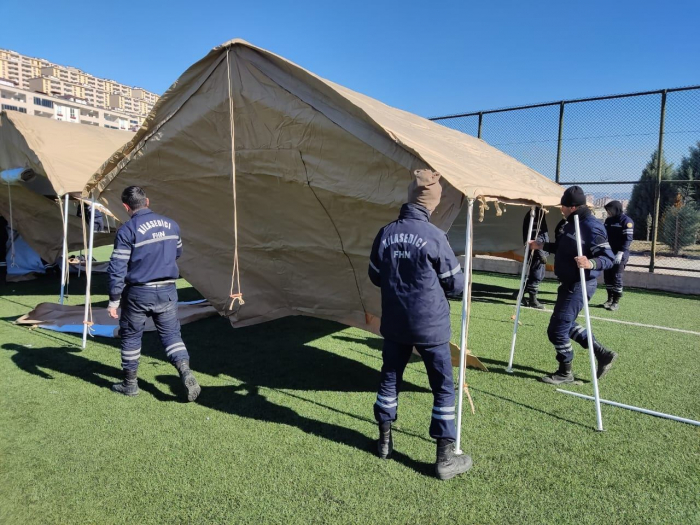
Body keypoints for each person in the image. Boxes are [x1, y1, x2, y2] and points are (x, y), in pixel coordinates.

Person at [368, 169, 472, 481]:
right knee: (442, 388)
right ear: (432, 203)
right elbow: (453, 285)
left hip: (395, 324)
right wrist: (464, 276)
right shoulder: (435, 236)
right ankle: (444, 459)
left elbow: (375, 276)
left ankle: (384, 443)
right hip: (431, 327)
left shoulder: (385, 233)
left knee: (389, 379)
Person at [107, 186, 200, 401]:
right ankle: (185, 370)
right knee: (171, 335)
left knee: (131, 336)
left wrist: (113, 300)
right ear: (147, 201)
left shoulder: (127, 230)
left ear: (125, 206)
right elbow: (178, 252)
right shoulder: (171, 224)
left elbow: (117, 268)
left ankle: (130, 384)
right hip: (167, 290)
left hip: (139, 293)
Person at [529, 186, 618, 384]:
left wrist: (590, 263)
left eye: (563, 206)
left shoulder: (591, 226)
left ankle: (565, 372)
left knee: (557, 330)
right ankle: (602, 354)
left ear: (573, 207)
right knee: (566, 325)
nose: (561, 209)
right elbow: (563, 248)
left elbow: (608, 258)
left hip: (580, 284)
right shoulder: (571, 223)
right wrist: (542, 246)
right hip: (568, 282)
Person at [603, 200, 634, 311]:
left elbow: (628, 239)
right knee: (607, 277)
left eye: (609, 210)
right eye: (607, 210)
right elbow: (604, 235)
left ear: (616, 209)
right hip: (608, 253)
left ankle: (616, 302)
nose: (608, 212)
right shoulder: (608, 220)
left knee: (616, 277)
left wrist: (620, 252)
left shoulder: (626, 221)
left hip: (620, 254)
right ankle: (609, 299)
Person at [521, 207, 549, 309]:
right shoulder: (536, 214)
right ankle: (532, 299)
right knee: (537, 275)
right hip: (536, 251)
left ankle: (520, 294)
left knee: (536, 274)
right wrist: (541, 253)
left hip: (536, 250)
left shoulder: (537, 214)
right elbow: (535, 235)